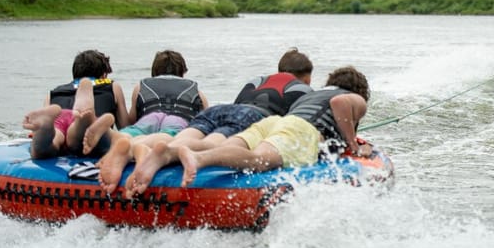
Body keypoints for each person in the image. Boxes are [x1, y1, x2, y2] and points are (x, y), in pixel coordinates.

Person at [107, 48, 314, 197]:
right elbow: (290, 126)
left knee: (187, 135)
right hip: (252, 116)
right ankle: (168, 152)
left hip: (221, 109)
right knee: (215, 143)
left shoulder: (256, 80)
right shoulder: (304, 90)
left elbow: (237, 102)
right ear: (306, 79)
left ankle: (136, 147)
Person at [177, 66, 372, 186]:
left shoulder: (313, 95)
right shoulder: (354, 97)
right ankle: (197, 159)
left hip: (275, 122)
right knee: (257, 160)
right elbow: (340, 103)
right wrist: (353, 145)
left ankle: (173, 151)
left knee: (228, 148)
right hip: (301, 129)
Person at [81, 48, 209, 161]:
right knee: (166, 137)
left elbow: (129, 122)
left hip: (149, 118)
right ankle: (135, 146)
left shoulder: (141, 86)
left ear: (154, 71)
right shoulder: (196, 90)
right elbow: (206, 123)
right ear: (183, 72)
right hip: (178, 120)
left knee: (132, 131)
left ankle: (115, 137)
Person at [22, 49, 130, 159]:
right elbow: (126, 126)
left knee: (49, 143)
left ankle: (45, 127)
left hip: (60, 117)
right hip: (89, 125)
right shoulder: (112, 87)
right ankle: (85, 119)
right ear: (104, 75)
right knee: (80, 135)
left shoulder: (54, 92)